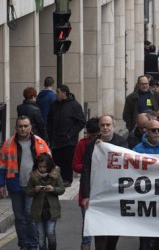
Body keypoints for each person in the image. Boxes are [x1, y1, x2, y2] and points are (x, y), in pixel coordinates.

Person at [0, 116, 51, 250]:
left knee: (30, 216)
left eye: (25, 125)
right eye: (20, 126)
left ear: (30, 127)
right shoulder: (8, 143)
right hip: (14, 185)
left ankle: (33, 245)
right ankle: (23, 244)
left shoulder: (40, 143)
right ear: (16, 128)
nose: (23, 128)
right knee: (19, 218)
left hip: (33, 186)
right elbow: (2, 167)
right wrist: (1, 185)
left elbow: (50, 164)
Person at [81, 115, 128, 250]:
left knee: (114, 229)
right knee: (99, 229)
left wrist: (105, 147)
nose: (105, 128)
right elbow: (86, 171)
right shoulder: (91, 145)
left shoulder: (122, 142)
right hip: (98, 193)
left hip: (115, 193)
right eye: (103, 125)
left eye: (108, 125)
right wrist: (86, 195)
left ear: (113, 126)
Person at [133, 119, 159, 250]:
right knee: (144, 235)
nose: (157, 132)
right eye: (153, 130)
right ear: (146, 130)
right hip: (145, 198)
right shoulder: (137, 150)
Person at [46, 84, 85, 186]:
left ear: (64, 93)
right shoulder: (55, 104)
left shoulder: (74, 105)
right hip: (56, 139)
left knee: (67, 161)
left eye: (58, 92)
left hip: (68, 140)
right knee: (57, 160)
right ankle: (58, 179)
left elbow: (81, 122)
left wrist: (70, 134)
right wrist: (50, 132)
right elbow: (50, 119)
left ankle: (67, 180)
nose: (56, 94)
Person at [26, 154, 64, 250]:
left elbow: (62, 189)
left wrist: (53, 189)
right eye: (40, 167)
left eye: (44, 167)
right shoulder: (33, 176)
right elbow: (28, 192)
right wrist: (35, 190)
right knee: (41, 237)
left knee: (50, 233)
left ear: (49, 166)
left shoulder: (56, 174)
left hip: (52, 211)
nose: (42, 169)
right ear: (37, 166)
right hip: (38, 212)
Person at [73, 118, 99, 250]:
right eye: (91, 135)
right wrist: (88, 167)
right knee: (87, 225)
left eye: (96, 135)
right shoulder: (82, 144)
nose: (93, 138)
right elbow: (76, 165)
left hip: (101, 189)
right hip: (87, 188)